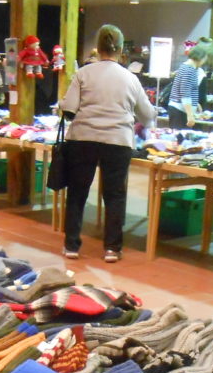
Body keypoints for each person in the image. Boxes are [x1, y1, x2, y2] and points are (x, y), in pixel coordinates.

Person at [59, 23, 156, 263]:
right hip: (118, 141)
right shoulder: (130, 78)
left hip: (83, 138)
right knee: (114, 195)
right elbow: (147, 115)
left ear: (98, 47)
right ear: (121, 49)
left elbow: (69, 108)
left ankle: (71, 245)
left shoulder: (83, 73)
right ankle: (112, 248)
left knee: (77, 193)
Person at [166, 43, 210, 129]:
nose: (203, 62)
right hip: (180, 112)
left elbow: (185, 90)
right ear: (200, 58)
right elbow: (185, 94)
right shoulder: (189, 70)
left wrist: (195, 103)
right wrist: (190, 116)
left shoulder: (186, 67)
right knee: (180, 136)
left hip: (179, 109)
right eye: (204, 59)